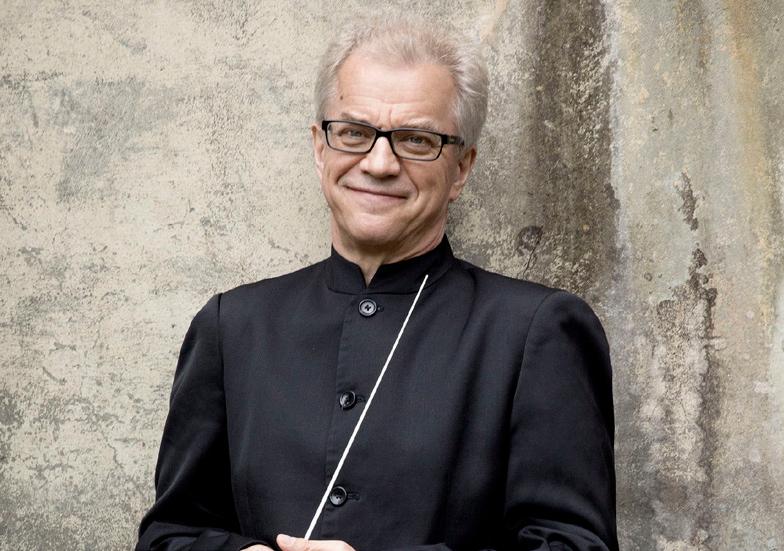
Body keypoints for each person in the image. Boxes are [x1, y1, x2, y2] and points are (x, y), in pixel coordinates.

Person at [136, 16, 618, 551]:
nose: (380, 163)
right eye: (354, 133)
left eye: (417, 139)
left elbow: (573, 545)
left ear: (461, 168)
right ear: (320, 147)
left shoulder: (536, 331)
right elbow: (168, 536)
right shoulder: (233, 326)